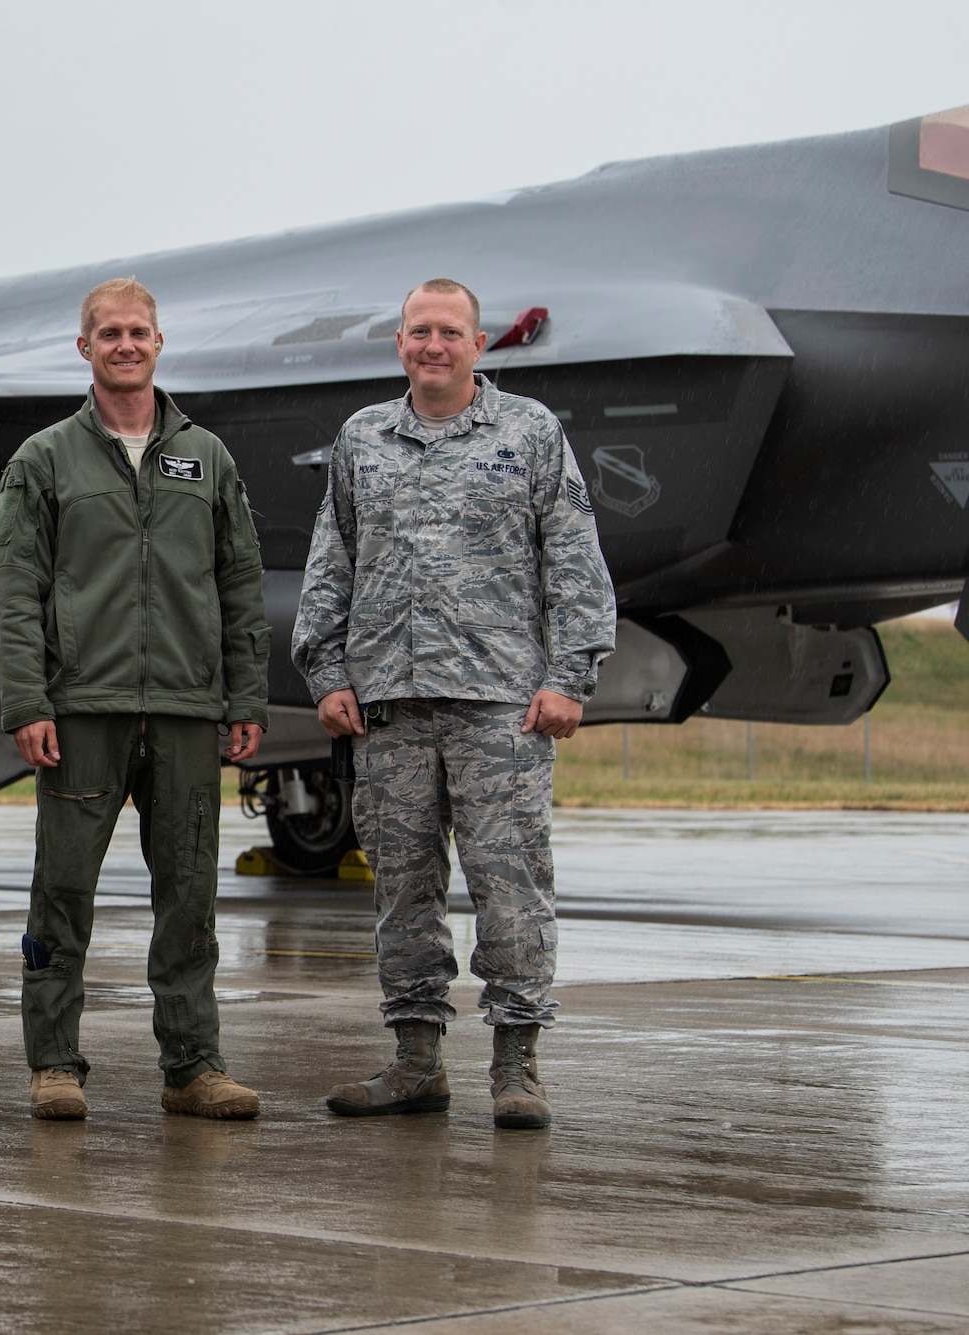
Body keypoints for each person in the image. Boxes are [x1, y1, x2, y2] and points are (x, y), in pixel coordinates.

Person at [293, 278, 616, 1130]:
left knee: (511, 887)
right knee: (403, 890)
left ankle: (517, 1065)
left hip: (500, 706)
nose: (434, 345)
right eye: (419, 331)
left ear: (479, 345)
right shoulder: (364, 438)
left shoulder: (529, 432)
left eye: (451, 332)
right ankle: (415, 1061)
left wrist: (570, 675)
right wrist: (326, 672)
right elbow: (334, 559)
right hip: (389, 706)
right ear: (399, 342)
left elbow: (574, 557)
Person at [0, 276, 271, 1121]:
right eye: (107, 333)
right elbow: (17, 586)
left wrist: (245, 696)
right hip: (83, 707)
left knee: (189, 894)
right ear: (85, 348)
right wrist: (26, 701)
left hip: (187, 708)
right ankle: (53, 1063)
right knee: (63, 891)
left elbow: (240, 580)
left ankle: (194, 1066)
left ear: (159, 342)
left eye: (138, 332)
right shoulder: (43, 460)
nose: (124, 344)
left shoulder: (207, 458)